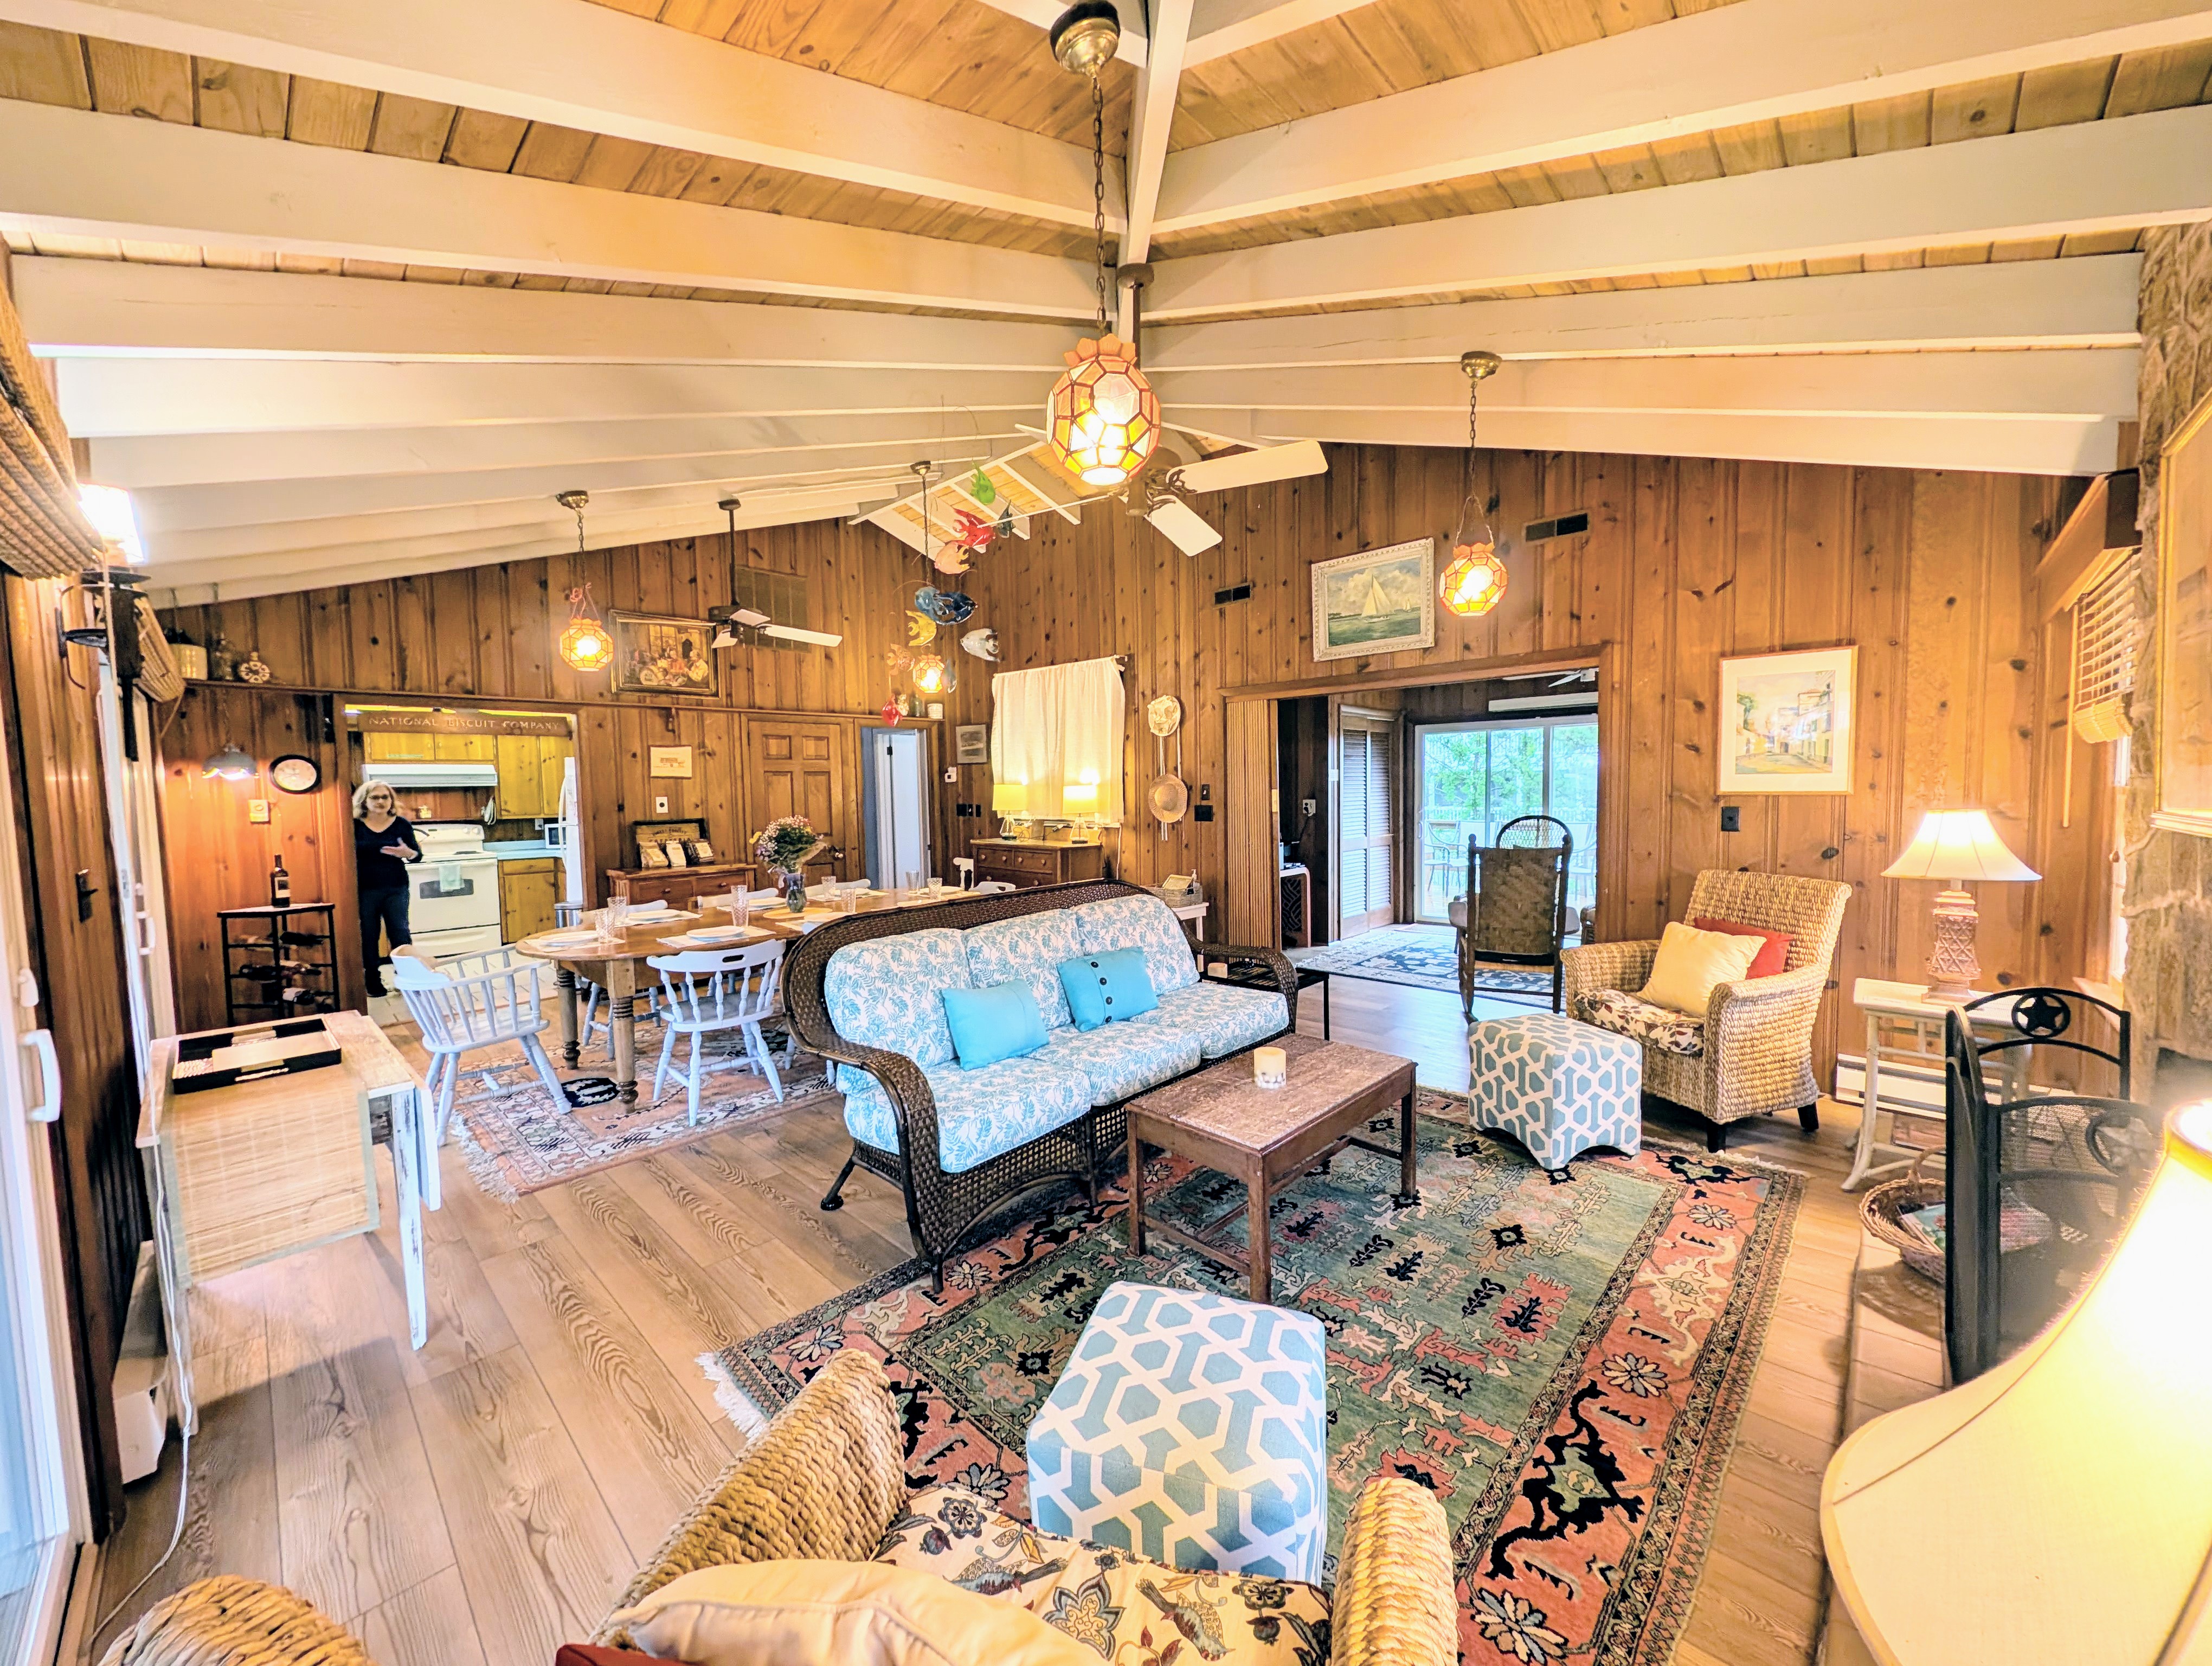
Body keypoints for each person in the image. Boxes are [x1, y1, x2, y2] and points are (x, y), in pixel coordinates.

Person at [353, 780, 422, 995]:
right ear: (364, 801)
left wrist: (407, 853)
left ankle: (408, 979)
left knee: (400, 933)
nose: (381, 801)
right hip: (365, 889)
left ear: (391, 800)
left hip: (396, 887)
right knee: (369, 935)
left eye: (385, 797)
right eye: (375, 797)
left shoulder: (401, 824)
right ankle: (373, 982)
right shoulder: (354, 825)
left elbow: (417, 856)